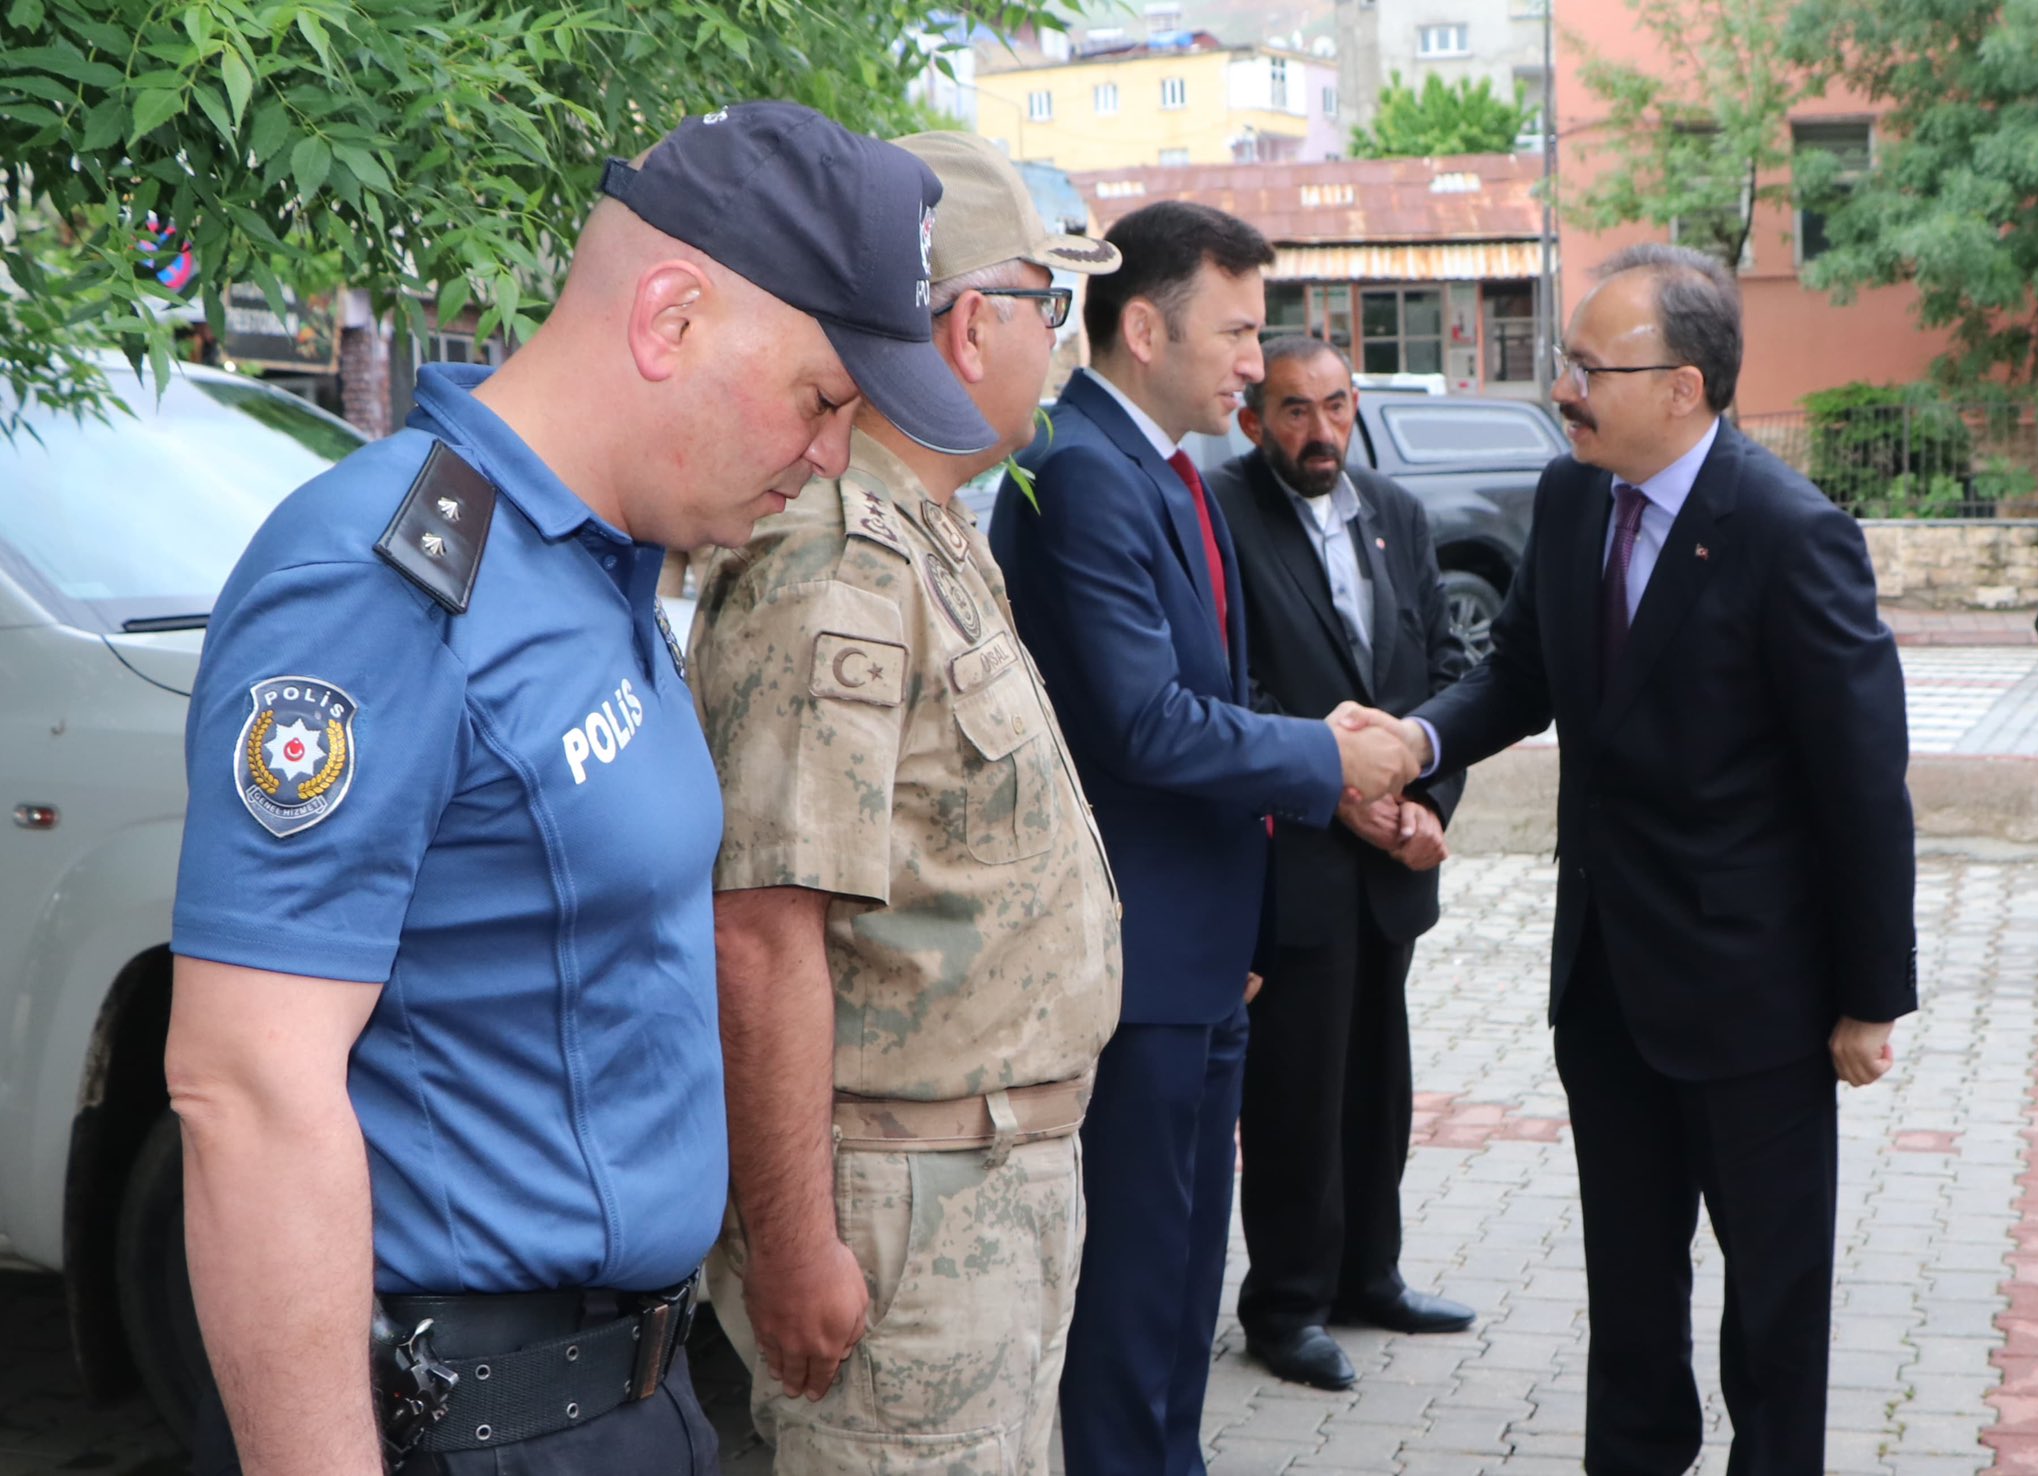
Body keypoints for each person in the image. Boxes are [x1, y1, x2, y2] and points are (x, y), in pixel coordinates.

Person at [164, 101, 994, 1476]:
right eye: (822, 398)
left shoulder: (593, 566)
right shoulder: (383, 582)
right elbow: (244, 1090)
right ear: (669, 319)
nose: (832, 456)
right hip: (466, 1420)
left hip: (621, 1398)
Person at [1373, 243, 1917, 1475]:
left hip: (1754, 998)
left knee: (1771, 1310)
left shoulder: (1789, 534)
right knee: (1627, 1292)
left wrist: (1867, 995)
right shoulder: (1570, 498)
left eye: (1587, 368)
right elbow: (1519, 670)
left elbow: (1860, 788)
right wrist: (1414, 737)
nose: (1564, 389)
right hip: (1606, 984)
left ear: (1681, 387)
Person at [684, 129, 1123, 1475]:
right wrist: (802, 1242)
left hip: (983, 1176)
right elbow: (761, 930)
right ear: (975, 320)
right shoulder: (838, 561)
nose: (1067, 344)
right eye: (1057, 307)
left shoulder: (928, 530)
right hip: (900, 1203)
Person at [987, 202, 1420, 1475]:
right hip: (1133, 950)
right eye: (1233, 331)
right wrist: (1324, 762)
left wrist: (1309, 738)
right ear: (1141, 325)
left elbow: (1206, 693)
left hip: (1201, 941)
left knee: (1180, 1276)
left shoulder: (1161, 469)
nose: (1253, 361)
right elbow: (1141, 724)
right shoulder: (1079, 469)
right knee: (1132, 1285)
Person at [1208, 335, 1475, 1393]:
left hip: (1390, 867)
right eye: (1291, 411)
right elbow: (1234, 690)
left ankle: (1370, 1276)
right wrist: (1341, 792)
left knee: (1377, 1085)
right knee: (1293, 1096)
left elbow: (1444, 673)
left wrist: (1421, 802)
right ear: (1250, 421)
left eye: (1333, 406)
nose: (1319, 432)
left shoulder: (1394, 514)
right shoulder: (1223, 517)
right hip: (1296, 863)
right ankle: (1285, 1305)